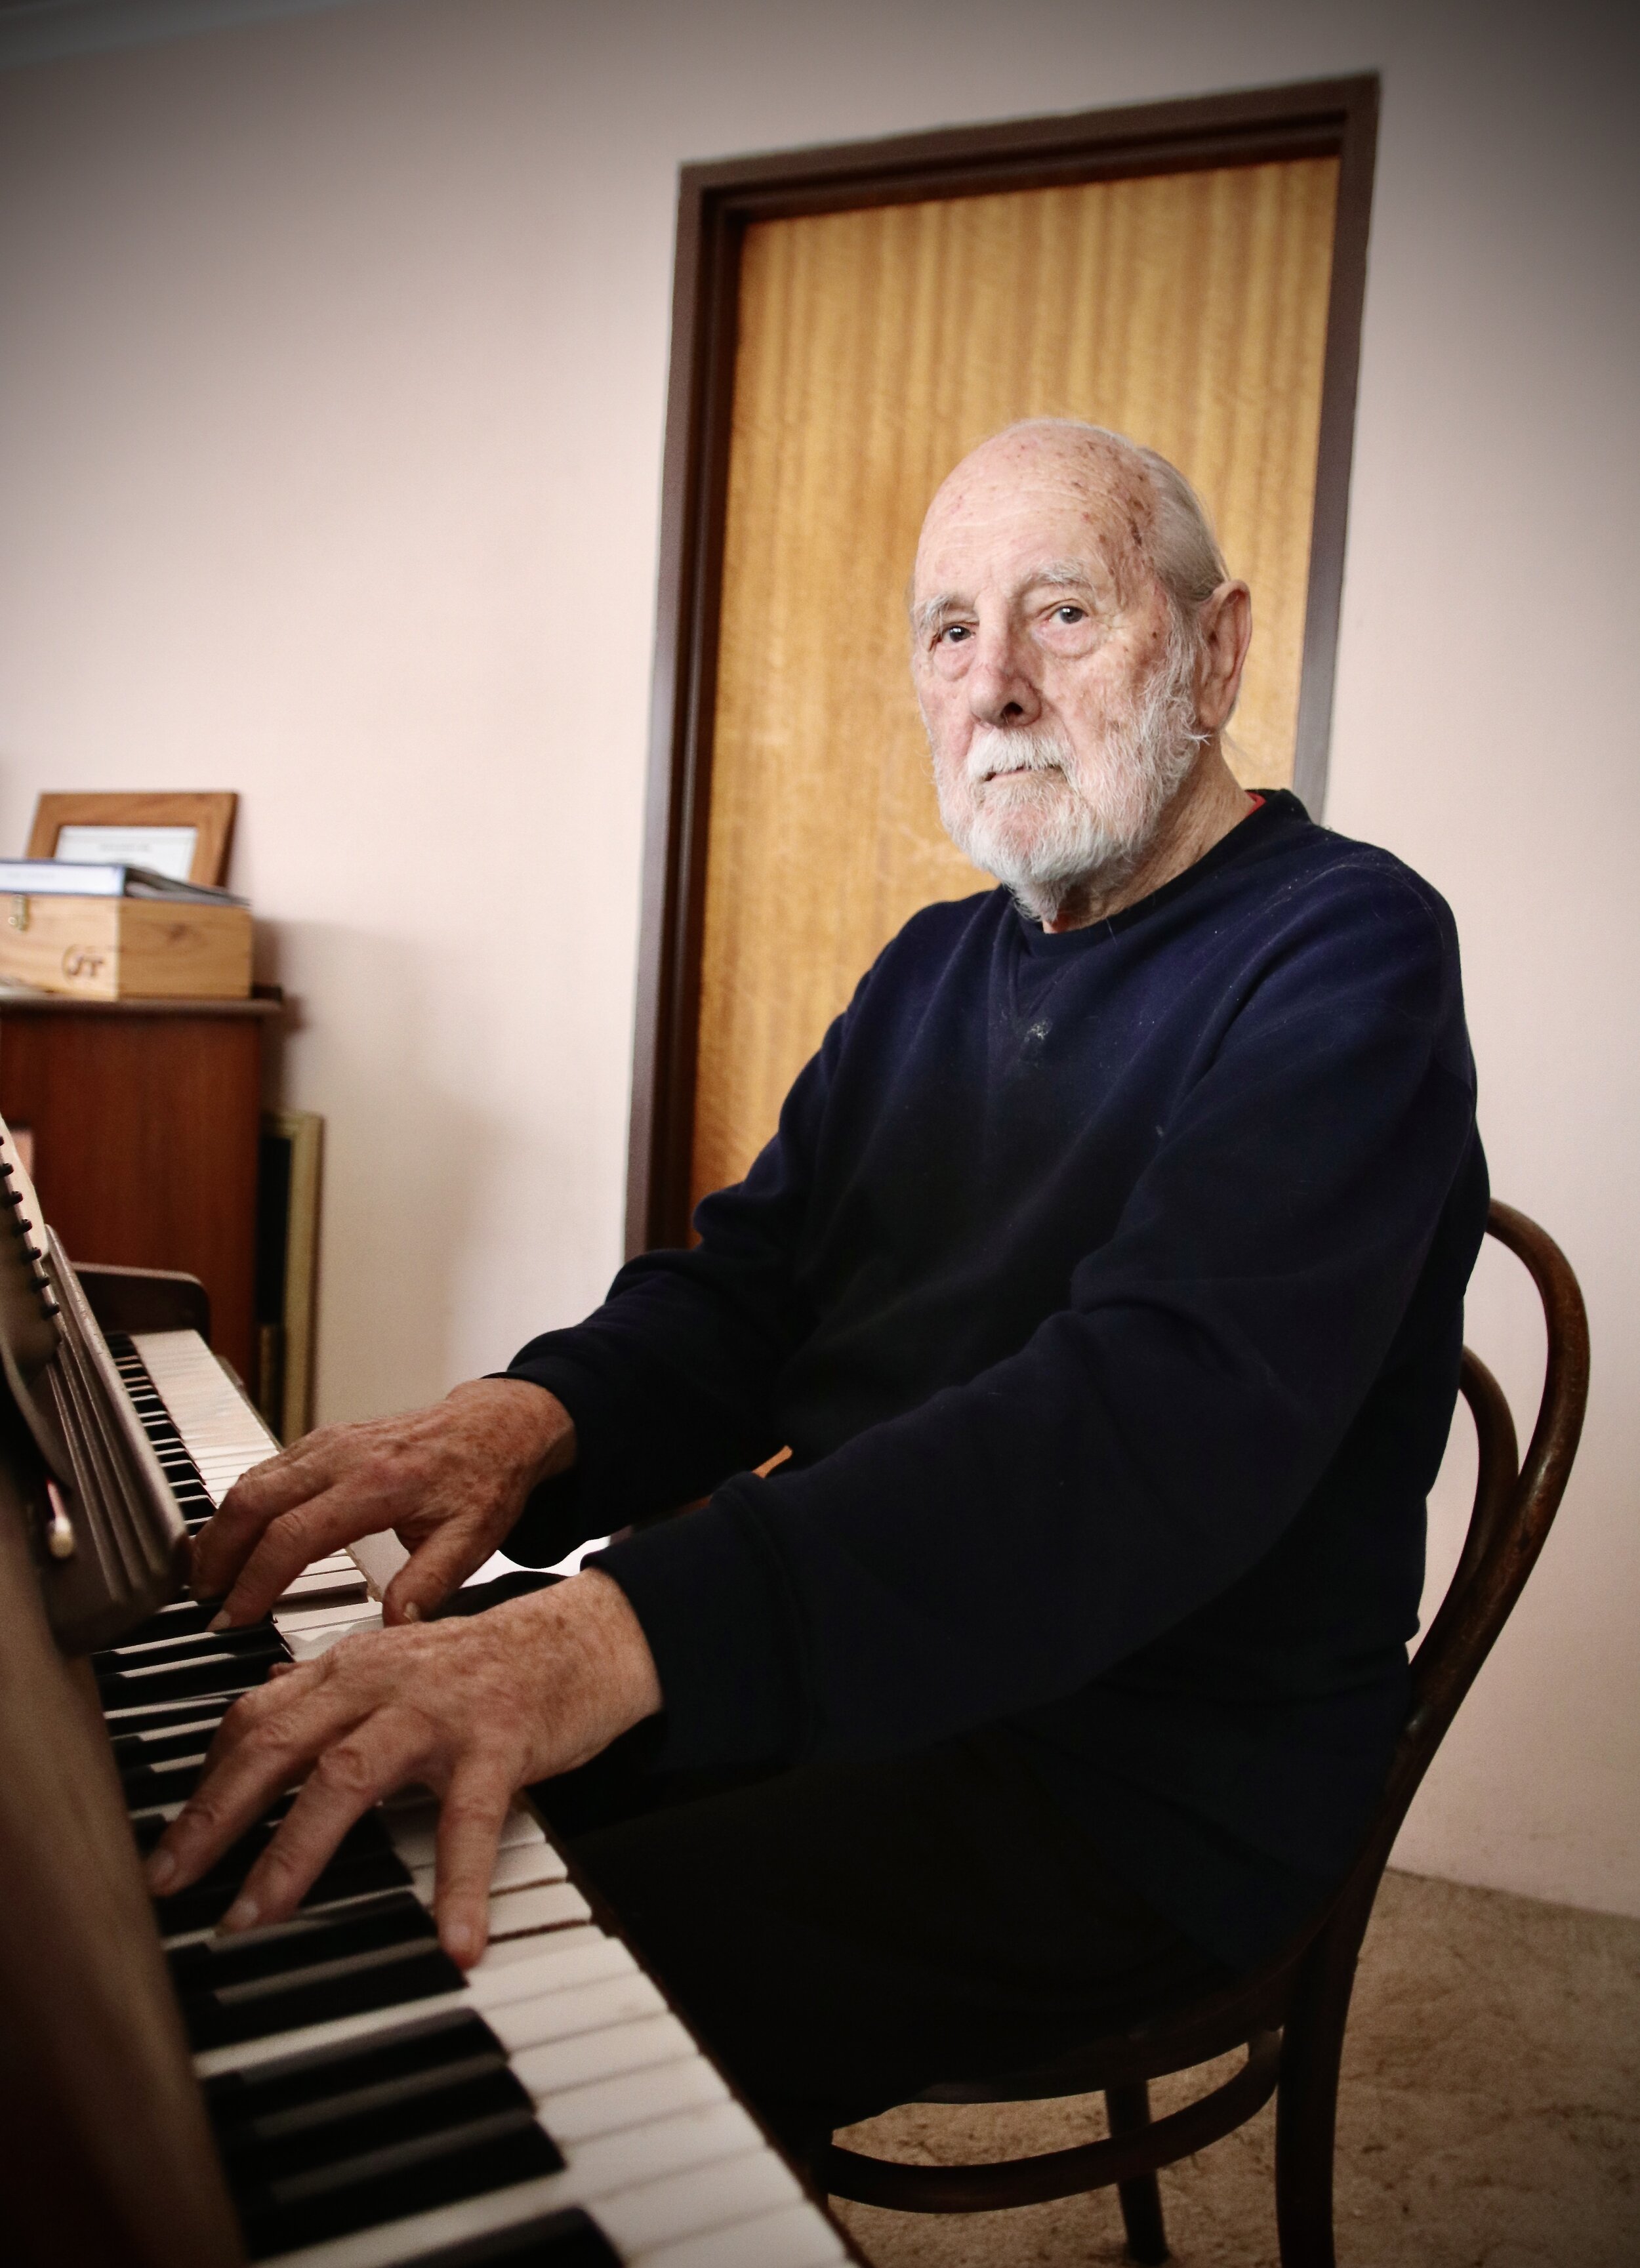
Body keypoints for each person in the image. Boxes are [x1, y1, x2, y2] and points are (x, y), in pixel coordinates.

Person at [150, 420, 1487, 2164]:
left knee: (459, 2019)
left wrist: (616, 1630)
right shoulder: (934, 964)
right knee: (332, 1805)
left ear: (1216, 649)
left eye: (1063, 613)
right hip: (882, 1658)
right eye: (950, 630)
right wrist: (524, 1421)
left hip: (1143, 1773)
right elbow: (753, 1294)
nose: (994, 685)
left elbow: (1137, 1431)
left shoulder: (1348, 949)